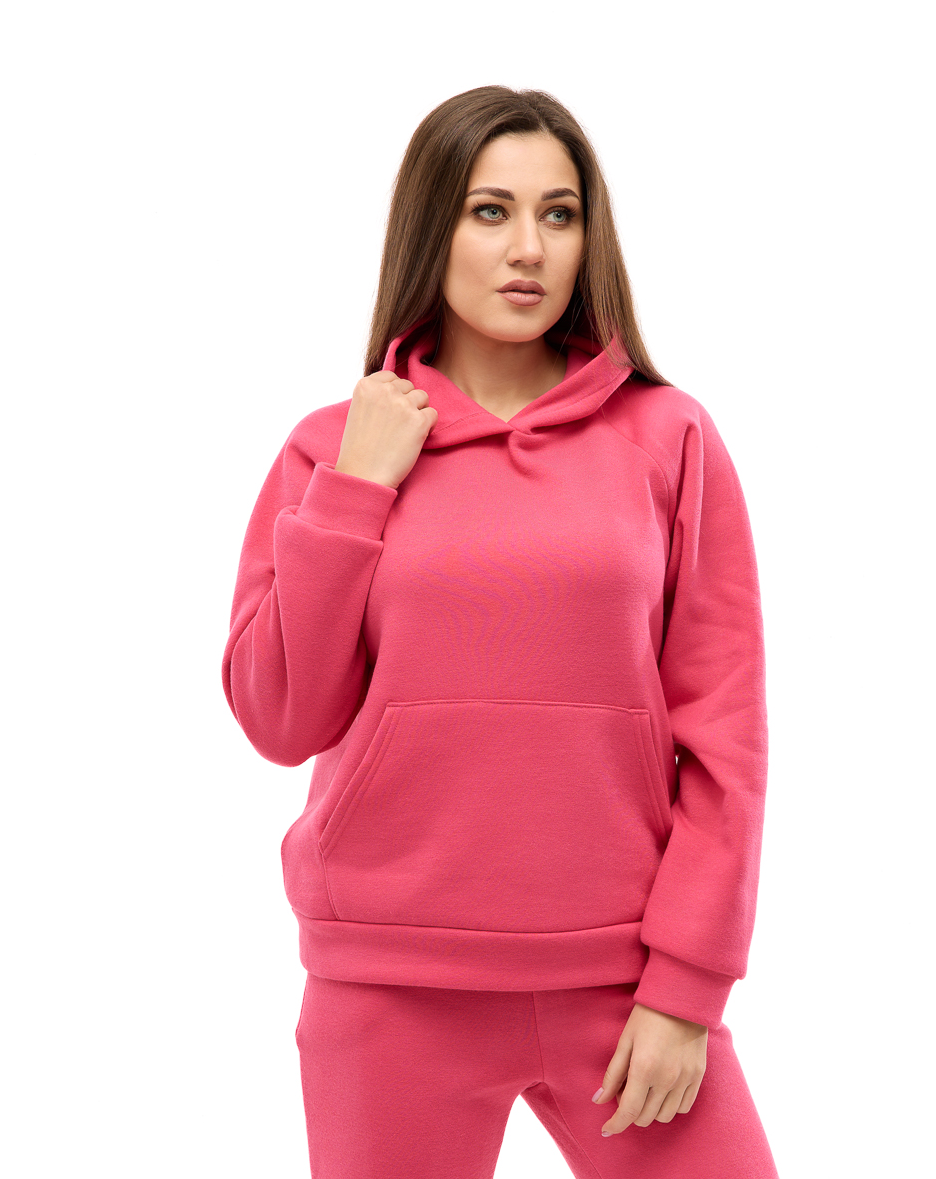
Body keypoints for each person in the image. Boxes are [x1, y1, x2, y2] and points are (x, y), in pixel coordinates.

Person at [221, 84, 777, 1178]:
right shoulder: (329, 449)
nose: (529, 248)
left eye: (559, 214)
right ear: (433, 227)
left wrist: (687, 987)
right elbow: (280, 719)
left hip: (627, 984)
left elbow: (726, 734)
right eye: (491, 211)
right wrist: (357, 490)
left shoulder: (668, 436)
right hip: (389, 982)